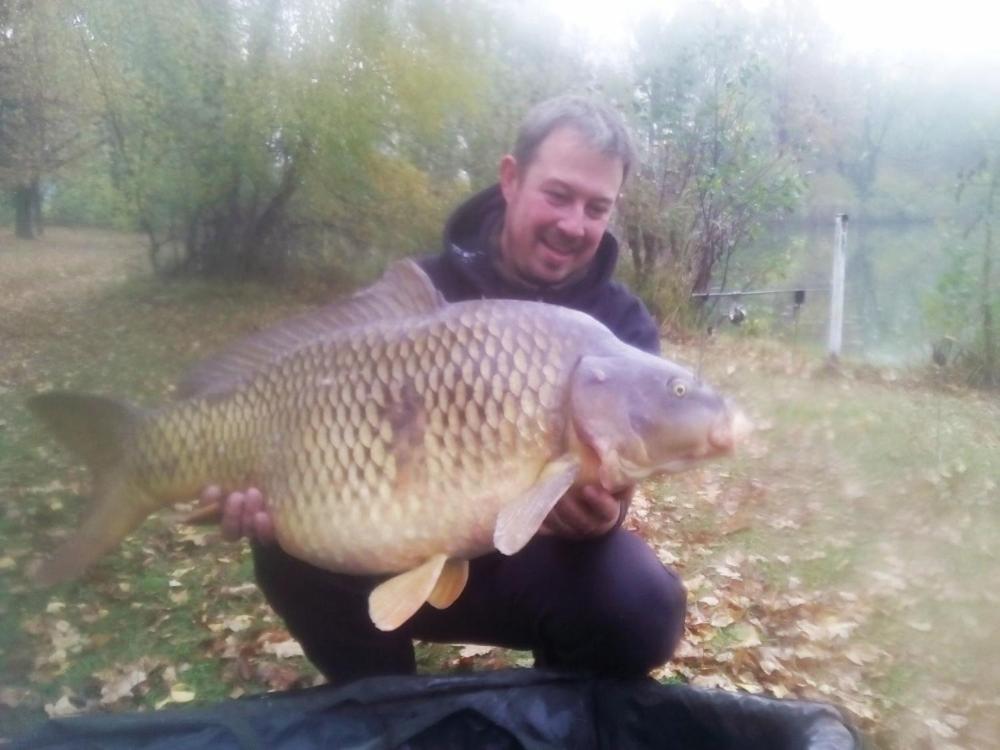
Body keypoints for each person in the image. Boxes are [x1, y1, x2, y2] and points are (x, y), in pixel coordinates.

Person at [201, 95, 687, 684]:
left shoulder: (621, 328)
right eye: (558, 195)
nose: (572, 224)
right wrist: (267, 481)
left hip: (526, 560)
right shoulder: (421, 291)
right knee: (286, 544)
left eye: (596, 207)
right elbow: (326, 419)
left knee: (641, 605)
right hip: (391, 535)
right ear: (511, 179)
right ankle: (383, 708)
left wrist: (602, 514)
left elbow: (619, 486)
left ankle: (556, 709)